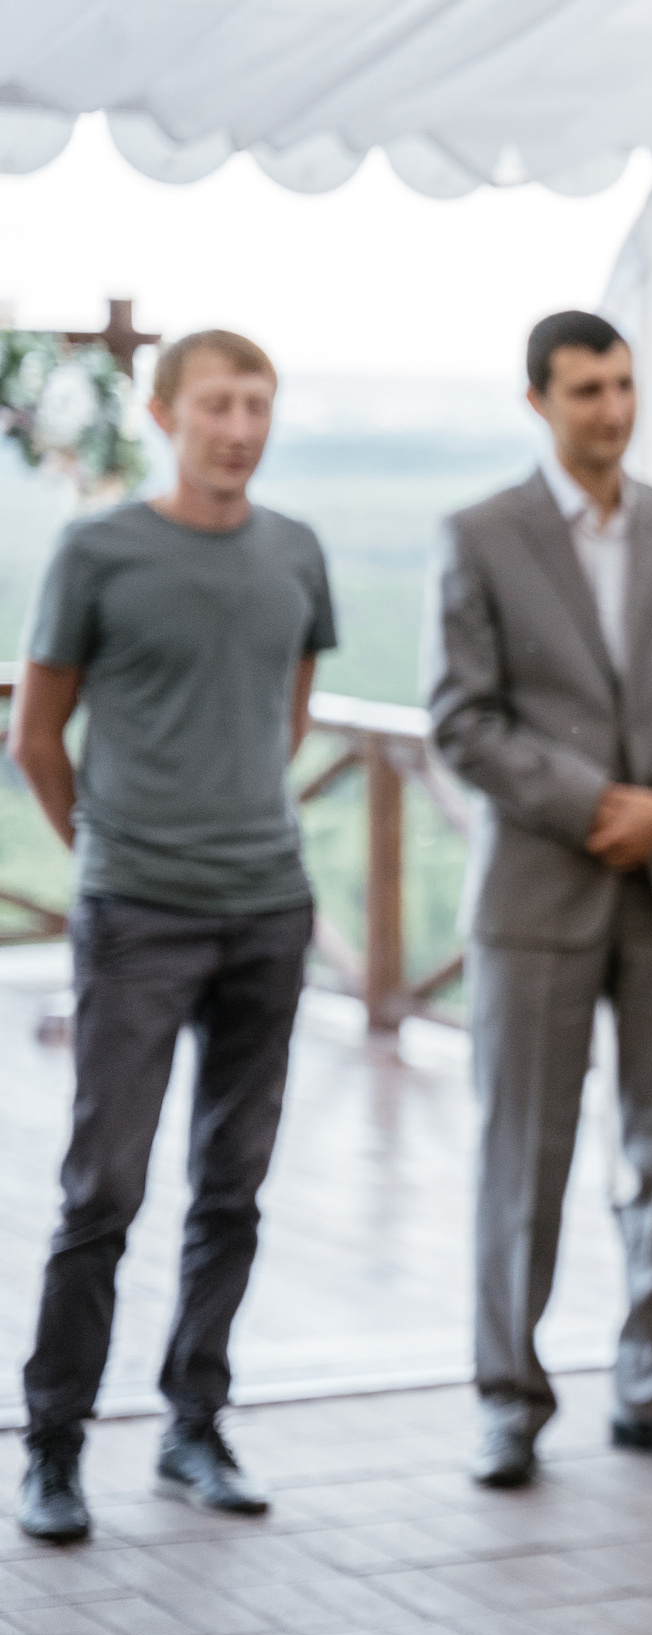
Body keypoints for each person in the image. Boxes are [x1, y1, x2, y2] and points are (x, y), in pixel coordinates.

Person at [10, 330, 332, 1542]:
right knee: (105, 1188)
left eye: (257, 403)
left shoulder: (296, 550)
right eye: (216, 405)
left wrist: (233, 810)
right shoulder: (97, 550)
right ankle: (53, 1449)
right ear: (163, 413)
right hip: (137, 911)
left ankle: (195, 1425)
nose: (238, 426)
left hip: (269, 906)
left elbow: (287, 711)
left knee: (232, 1189)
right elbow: (36, 733)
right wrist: (108, 842)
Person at [426, 309, 652, 1488]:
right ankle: (507, 1399)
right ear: (538, 402)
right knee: (526, 1154)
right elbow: (458, 716)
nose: (612, 409)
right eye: (585, 391)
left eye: (623, 384)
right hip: (537, 887)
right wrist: (592, 801)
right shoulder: (479, 535)